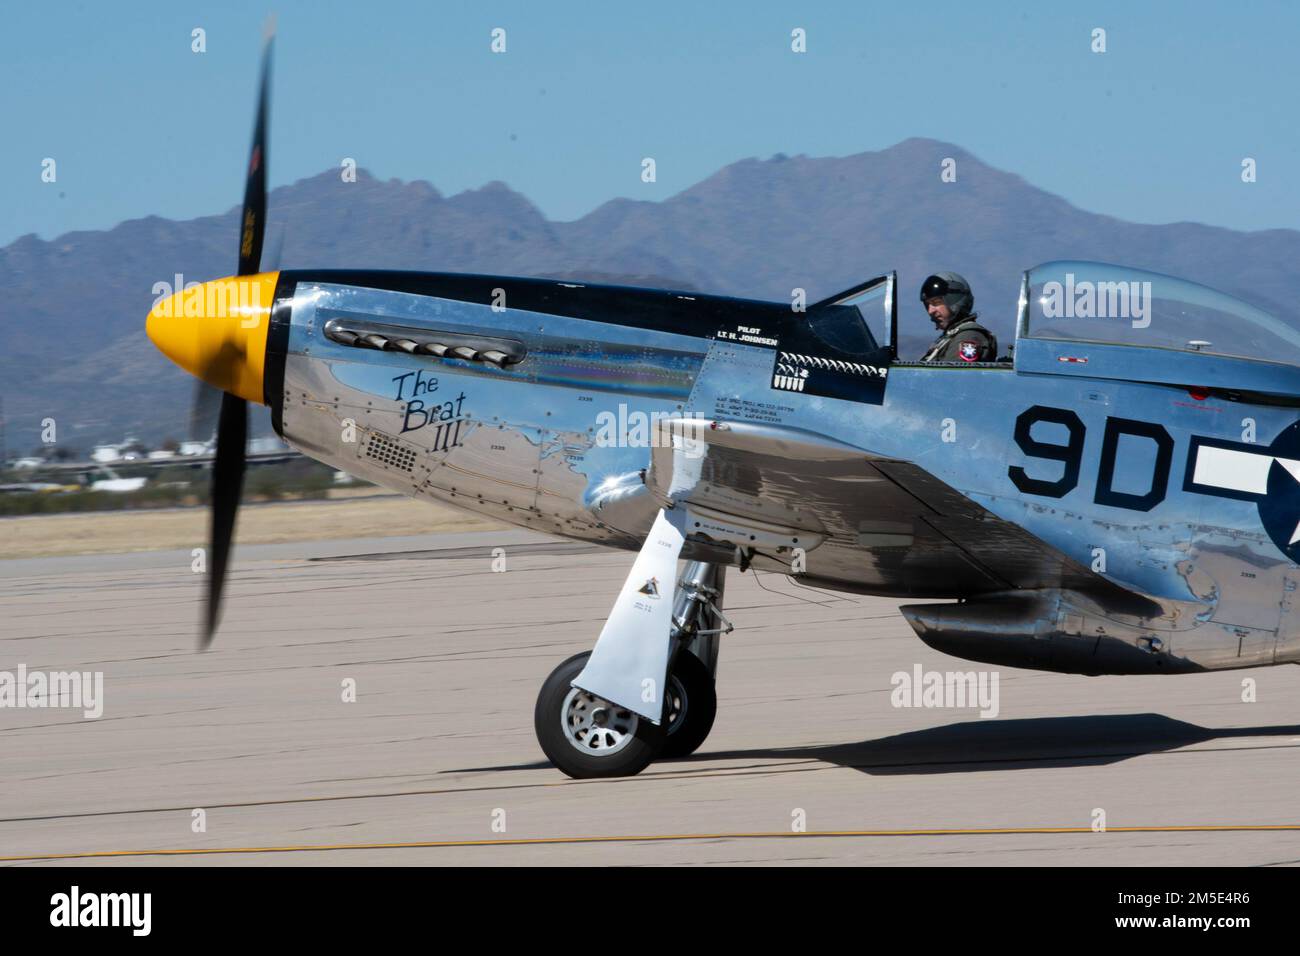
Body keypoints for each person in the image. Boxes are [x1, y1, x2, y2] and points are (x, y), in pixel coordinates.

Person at [918, 272, 997, 363]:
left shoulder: (968, 337)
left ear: (955, 301)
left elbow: (952, 376)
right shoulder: (949, 338)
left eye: (937, 302)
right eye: (927, 305)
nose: (930, 311)